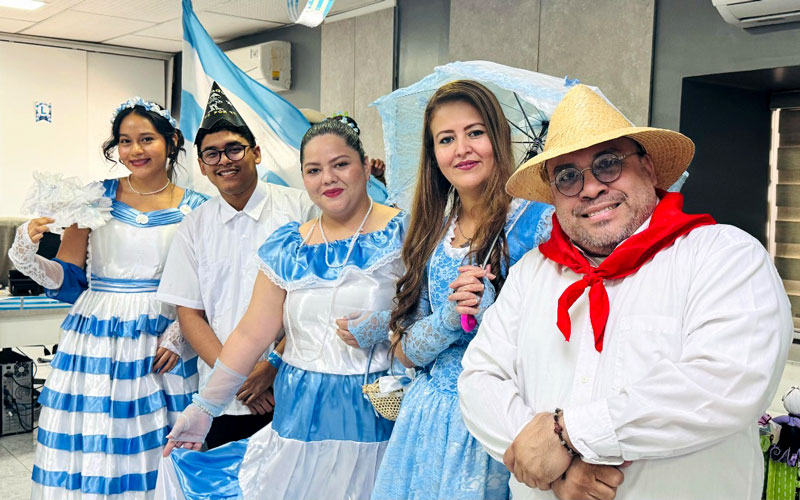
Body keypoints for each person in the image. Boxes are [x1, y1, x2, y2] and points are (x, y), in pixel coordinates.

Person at [458, 84, 793, 500]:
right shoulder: (530, 275)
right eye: (567, 176)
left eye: (608, 164)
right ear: (553, 195)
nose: (591, 188)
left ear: (649, 169)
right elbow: (480, 378)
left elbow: (726, 381)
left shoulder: (725, 255)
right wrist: (553, 468)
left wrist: (568, 434)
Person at [155, 119, 405, 500]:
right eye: (314, 170)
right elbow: (252, 333)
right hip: (301, 409)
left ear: (366, 166)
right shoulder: (289, 246)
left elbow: (431, 319)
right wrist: (204, 407)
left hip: (376, 408)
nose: (328, 179)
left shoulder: (406, 234)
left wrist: (388, 326)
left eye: (341, 164)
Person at [346, 80, 554, 500]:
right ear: (433, 155)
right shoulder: (430, 229)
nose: (462, 149)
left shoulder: (539, 223)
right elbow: (403, 351)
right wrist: (446, 319)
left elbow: (554, 334)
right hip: (426, 420)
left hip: (502, 420)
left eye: (475, 132)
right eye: (446, 139)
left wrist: (492, 314)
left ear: (497, 136)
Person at [8, 98, 208, 499]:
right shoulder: (94, 198)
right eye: (125, 141)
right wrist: (25, 257)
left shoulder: (199, 209)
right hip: (96, 333)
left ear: (171, 142)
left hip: (164, 335)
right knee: (95, 429)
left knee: (158, 436)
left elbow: (207, 285)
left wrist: (180, 332)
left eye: (147, 139)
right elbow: (69, 279)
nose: (135, 150)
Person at [156, 83, 317, 449]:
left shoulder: (301, 211)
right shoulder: (194, 225)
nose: (224, 160)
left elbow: (315, 302)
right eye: (211, 154)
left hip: (291, 385)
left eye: (233, 149)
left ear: (256, 153)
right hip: (224, 400)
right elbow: (190, 313)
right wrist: (236, 376)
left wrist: (272, 366)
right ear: (201, 165)